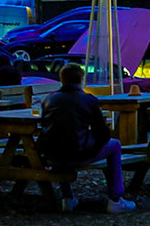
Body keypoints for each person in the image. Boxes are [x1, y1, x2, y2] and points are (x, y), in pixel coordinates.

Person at [36, 62, 134, 214]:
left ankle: (67, 197)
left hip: (52, 156)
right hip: (78, 153)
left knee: (61, 138)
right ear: (81, 79)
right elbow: (102, 133)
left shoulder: (49, 100)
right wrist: (93, 143)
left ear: (62, 79)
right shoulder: (88, 100)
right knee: (115, 145)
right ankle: (115, 199)